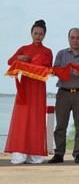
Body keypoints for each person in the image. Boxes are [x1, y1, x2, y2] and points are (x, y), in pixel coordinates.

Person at [5, 20, 53, 164]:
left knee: (36, 118)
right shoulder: (24, 48)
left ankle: (35, 152)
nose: (38, 36)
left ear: (44, 35)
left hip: (39, 88)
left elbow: (49, 68)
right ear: (31, 34)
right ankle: (20, 152)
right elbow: (9, 61)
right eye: (35, 33)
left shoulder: (48, 51)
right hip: (25, 88)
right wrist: (18, 58)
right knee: (22, 118)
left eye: (41, 34)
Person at [48, 28, 79, 164]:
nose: (75, 40)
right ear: (68, 38)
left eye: (78, 38)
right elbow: (55, 70)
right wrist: (66, 71)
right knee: (61, 125)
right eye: (72, 37)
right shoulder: (61, 54)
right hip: (64, 92)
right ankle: (59, 154)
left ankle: (78, 153)